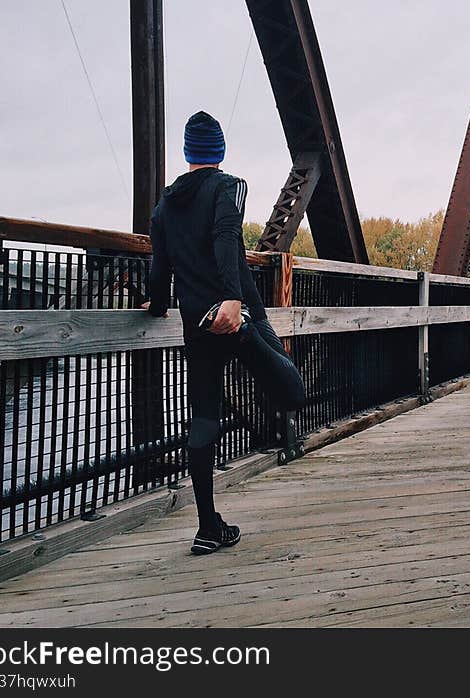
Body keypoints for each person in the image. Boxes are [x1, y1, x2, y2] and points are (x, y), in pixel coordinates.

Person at [145, 111, 305, 555]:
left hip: (196, 326)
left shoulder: (163, 206)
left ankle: (207, 526)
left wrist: (156, 305)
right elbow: (224, 235)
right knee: (292, 392)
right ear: (219, 151)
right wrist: (235, 301)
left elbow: (160, 268)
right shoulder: (229, 187)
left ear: (186, 152)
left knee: (204, 418)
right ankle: (210, 526)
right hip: (235, 317)